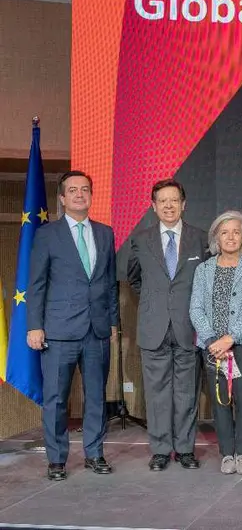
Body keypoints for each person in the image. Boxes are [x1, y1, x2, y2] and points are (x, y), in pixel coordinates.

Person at [27, 171, 119, 481]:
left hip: (97, 331)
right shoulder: (47, 234)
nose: (80, 194)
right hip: (58, 330)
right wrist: (34, 326)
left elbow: (109, 284)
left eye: (85, 189)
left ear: (91, 196)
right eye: (73, 190)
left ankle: (94, 453)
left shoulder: (105, 233)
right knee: (55, 398)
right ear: (62, 198)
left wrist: (114, 323)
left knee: (96, 396)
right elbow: (36, 284)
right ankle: (56, 459)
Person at [127, 178, 208, 472]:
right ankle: (161, 450)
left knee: (187, 392)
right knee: (157, 392)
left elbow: (207, 281)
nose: (169, 206)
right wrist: (155, 302)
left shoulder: (200, 238)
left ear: (183, 204)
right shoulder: (141, 239)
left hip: (189, 327)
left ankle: (185, 449)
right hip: (154, 327)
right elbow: (135, 278)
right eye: (163, 201)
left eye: (174, 200)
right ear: (154, 206)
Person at [189, 211, 242, 475]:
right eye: (225, 232)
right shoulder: (203, 269)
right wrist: (212, 340)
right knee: (220, 400)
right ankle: (227, 453)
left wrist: (229, 338)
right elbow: (196, 308)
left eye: (236, 231)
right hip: (212, 347)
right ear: (216, 238)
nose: (231, 237)